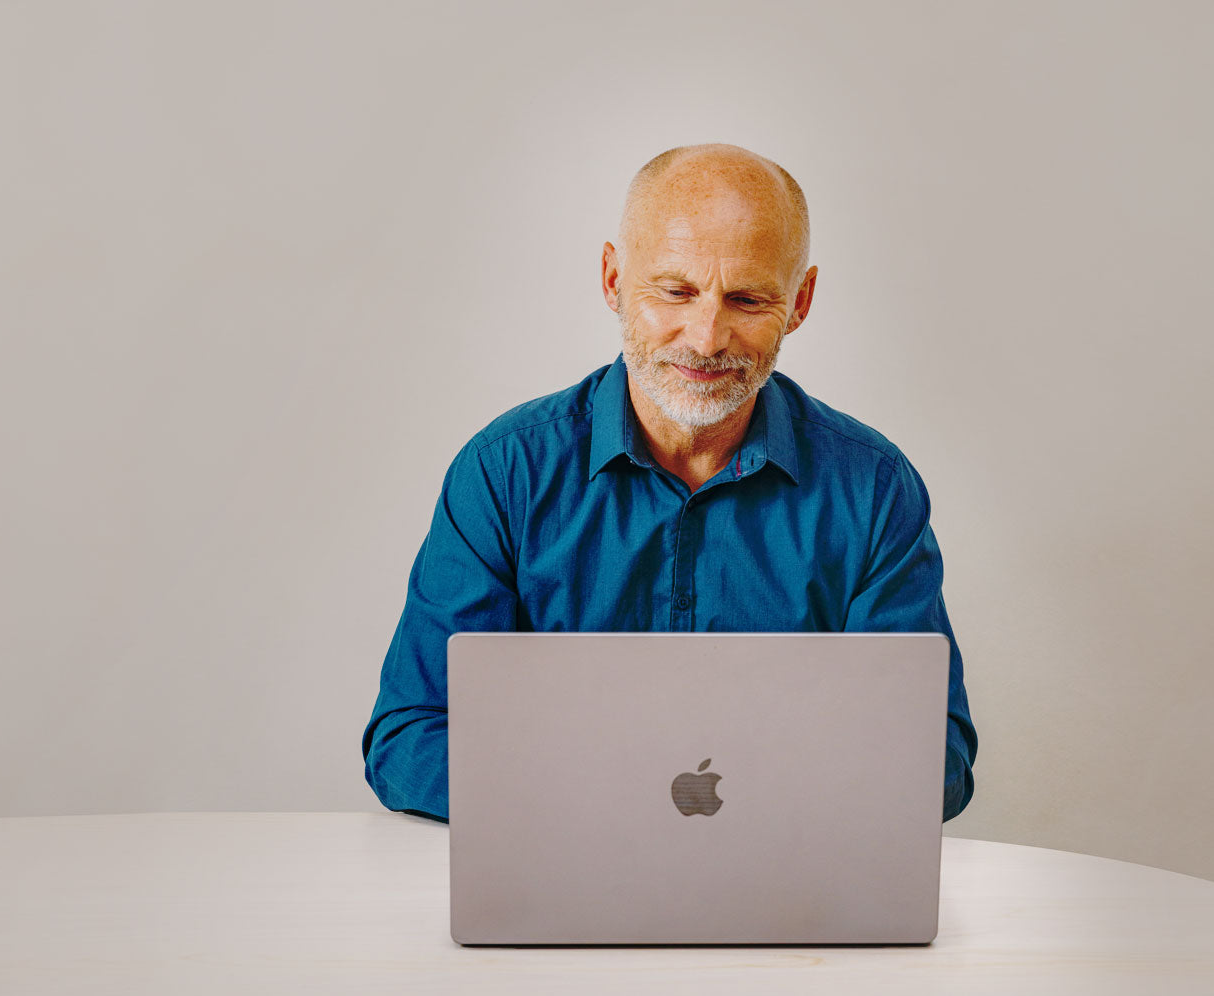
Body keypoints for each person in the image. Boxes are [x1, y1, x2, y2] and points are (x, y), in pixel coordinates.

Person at [361, 143, 978, 823]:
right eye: (675, 291)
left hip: (786, 898)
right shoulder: (506, 472)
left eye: (746, 298)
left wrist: (742, 813)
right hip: (565, 877)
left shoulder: (874, 490)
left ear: (799, 301)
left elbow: (934, 760)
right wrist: (608, 808)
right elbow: (409, 736)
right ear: (612, 279)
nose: (707, 337)